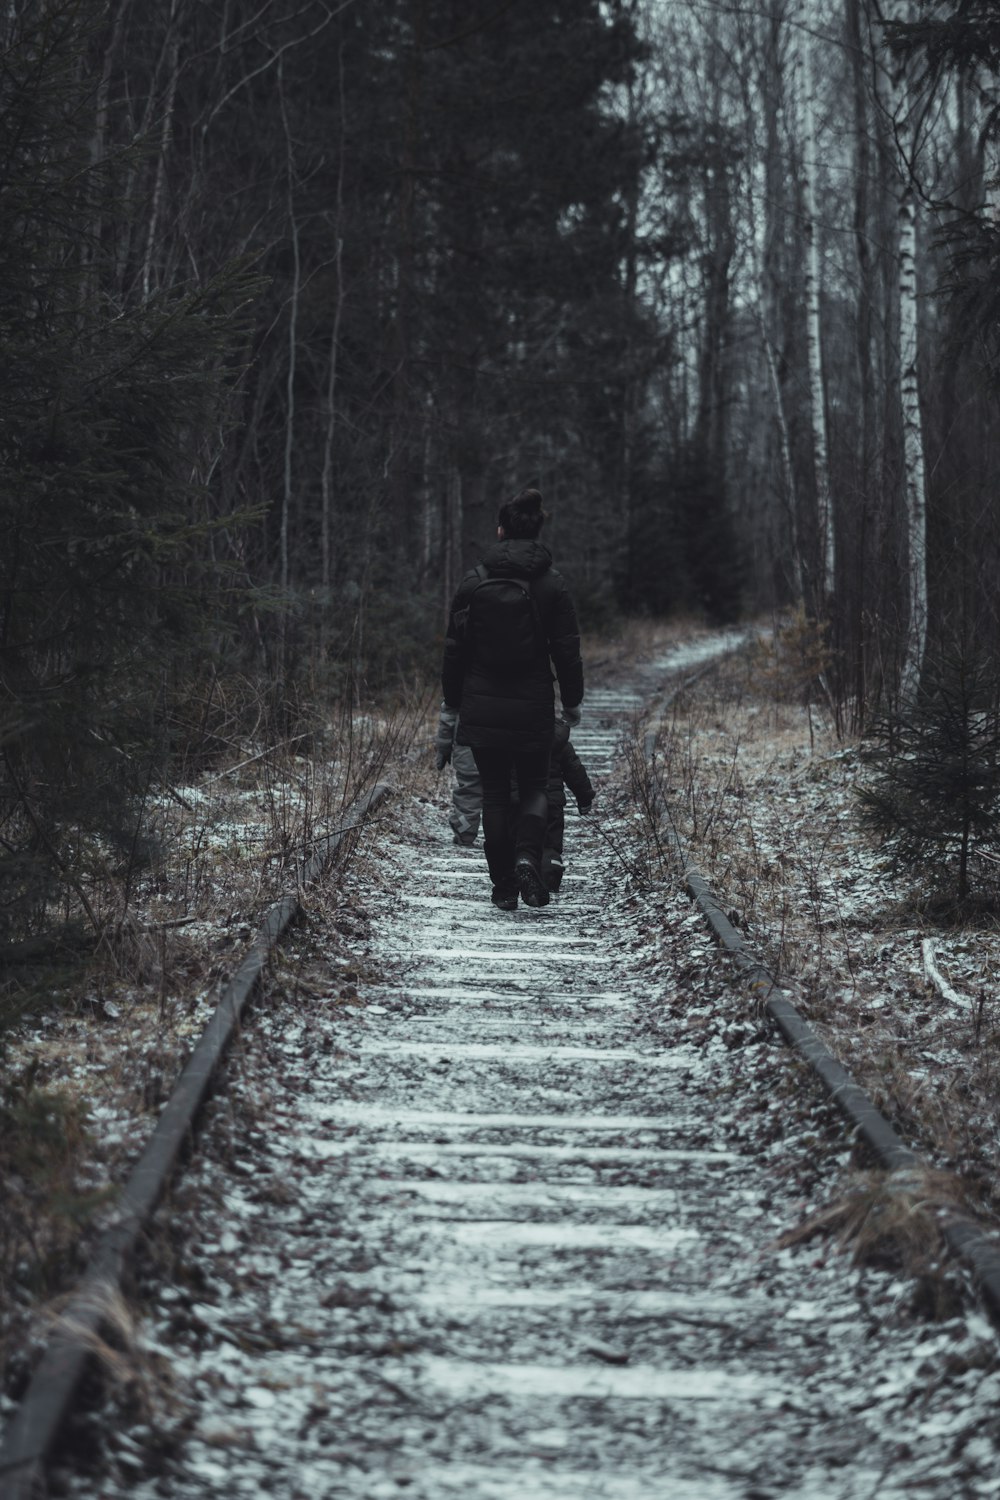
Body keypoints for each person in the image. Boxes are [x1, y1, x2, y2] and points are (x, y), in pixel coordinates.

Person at [440, 486, 583, 909]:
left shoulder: (473, 582)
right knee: (536, 785)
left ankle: (503, 886)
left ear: (500, 531)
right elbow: (567, 650)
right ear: (537, 532)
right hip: (534, 704)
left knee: (495, 795)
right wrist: (572, 702)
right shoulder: (552, 585)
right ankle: (526, 857)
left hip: (482, 706)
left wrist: (453, 703)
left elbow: (454, 652)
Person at [540, 717, 595, 892]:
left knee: (518, 840)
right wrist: (585, 798)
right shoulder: (557, 737)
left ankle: (519, 874)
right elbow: (574, 771)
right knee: (550, 843)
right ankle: (549, 877)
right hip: (551, 802)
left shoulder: (509, 733)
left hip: (517, 799)